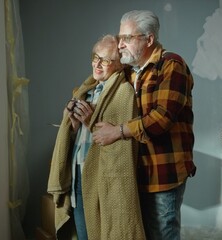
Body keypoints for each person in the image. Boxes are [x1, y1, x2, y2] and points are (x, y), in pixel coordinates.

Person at [92, 10, 196, 240]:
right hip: (133, 170)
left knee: (162, 234)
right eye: (120, 38)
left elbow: (162, 118)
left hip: (163, 172)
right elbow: (97, 80)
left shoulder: (171, 65)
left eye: (127, 38)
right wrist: (77, 103)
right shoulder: (128, 71)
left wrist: (117, 132)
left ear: (149, 39)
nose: (120, 45)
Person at [47, 35, 145, 240]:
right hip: (77, 171)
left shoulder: (123, 93)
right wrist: (73, 125)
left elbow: (122, 147)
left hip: (97, 177)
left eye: (106, 60)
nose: (97, 64)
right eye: (95, 56)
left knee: (94, 233)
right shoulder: (86, 90)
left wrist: (90, 121)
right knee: (83, 232)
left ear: (119, 65)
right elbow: (80, 136)